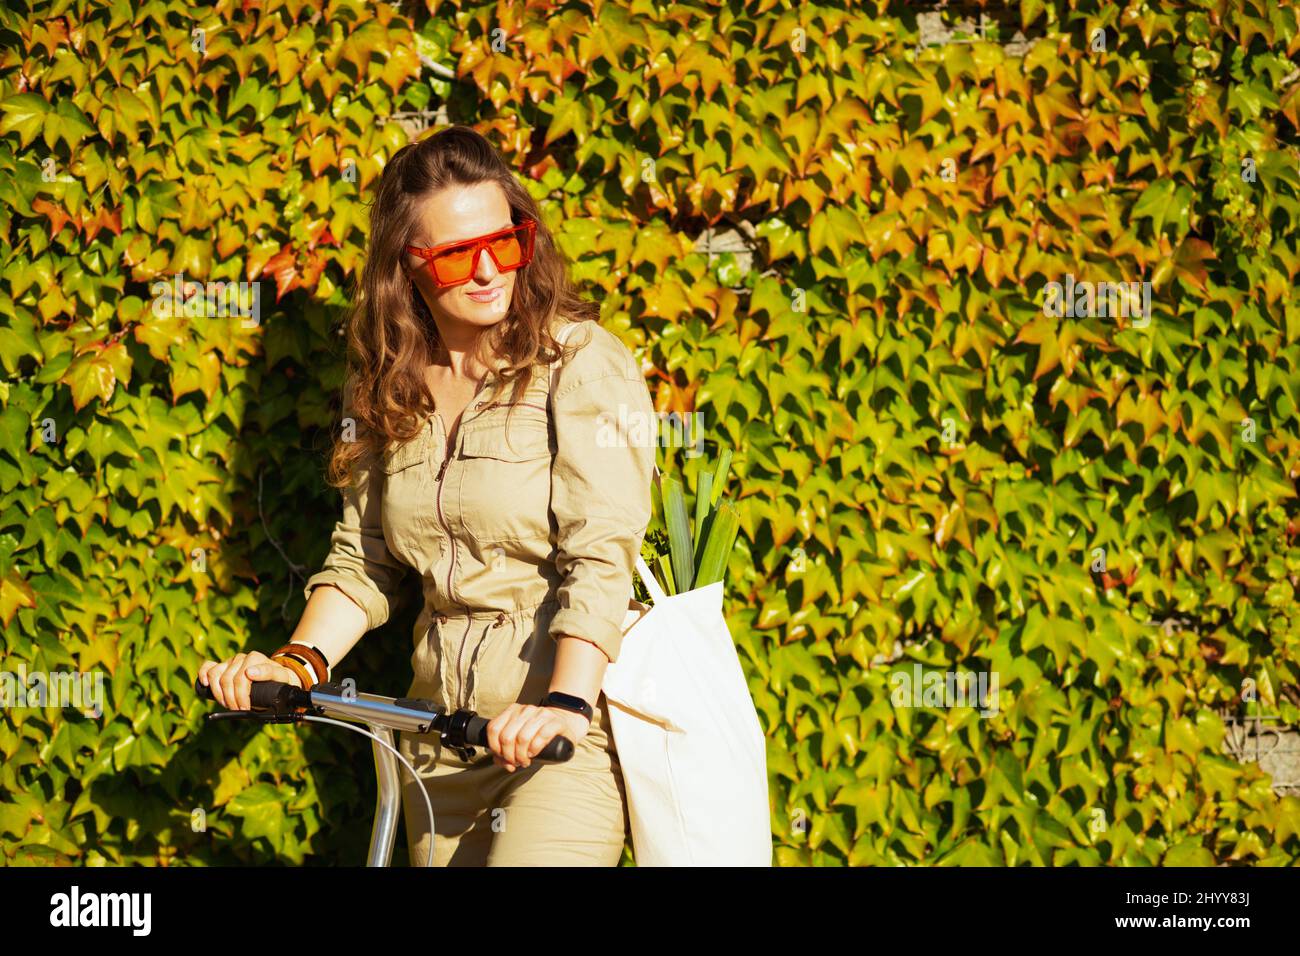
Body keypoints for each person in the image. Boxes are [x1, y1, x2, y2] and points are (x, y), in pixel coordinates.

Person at [198, 125, 657, 866]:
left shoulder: (580, 364)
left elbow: (600, 555)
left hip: (560, 740)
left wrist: (564, 704)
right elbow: (364, 559)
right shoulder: (388, 384)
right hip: (435, 739)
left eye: (505, 243)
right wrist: (294, 664)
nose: (486, 271)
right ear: (406, 267)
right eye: (453, 254)